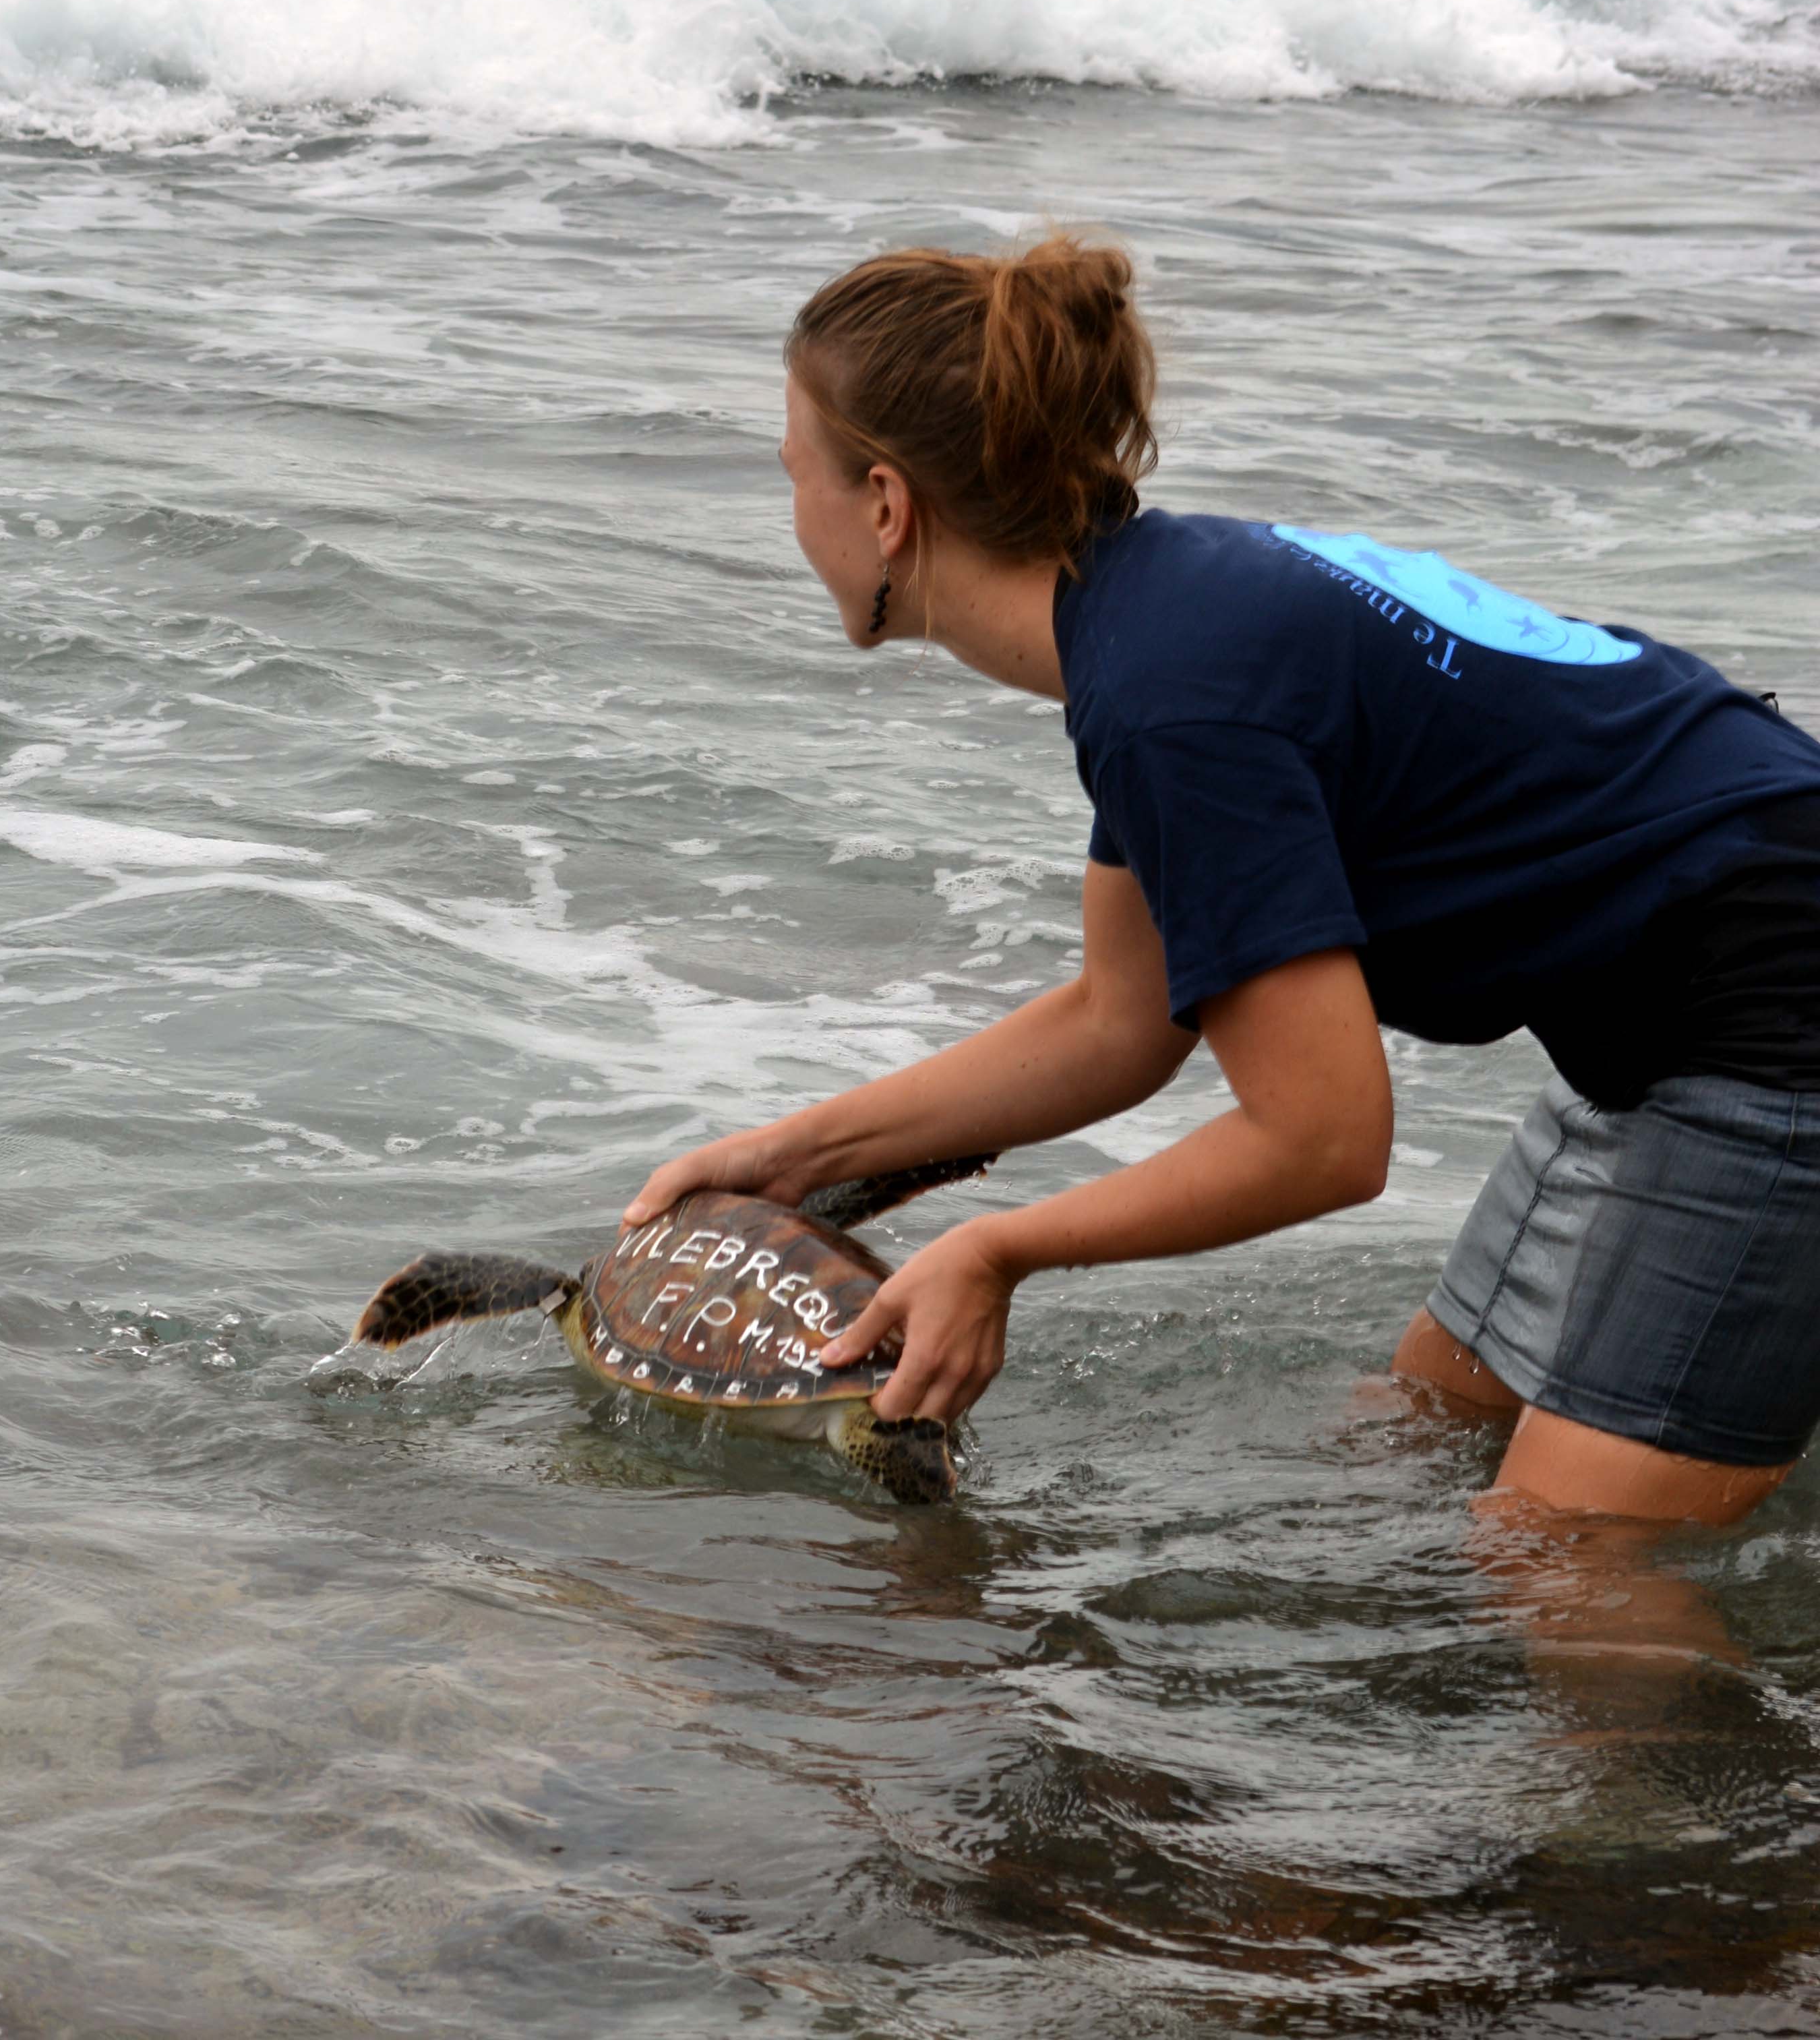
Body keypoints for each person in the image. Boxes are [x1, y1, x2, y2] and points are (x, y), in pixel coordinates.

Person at [624, 235, 1820, 1527]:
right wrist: (787, 1158)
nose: (788, 507)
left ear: (884, 505)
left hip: (1772, 1009)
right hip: (1670, 992)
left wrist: (1000, 1247)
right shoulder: (1155, 613)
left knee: (1565, 1563)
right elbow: (1119, 1020)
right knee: (1416, 1434)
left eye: (789, 470)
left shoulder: (1172, 703)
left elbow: (1324, 1141)